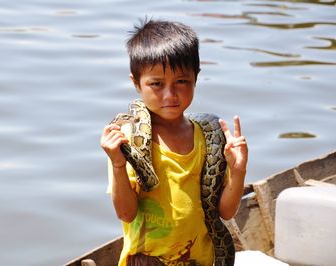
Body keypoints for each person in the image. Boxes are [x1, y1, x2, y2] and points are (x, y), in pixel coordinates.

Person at [100, 19, 248, 266]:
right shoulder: (125, 140)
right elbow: (126, 213)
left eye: (181, 82)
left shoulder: (208, 136)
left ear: (195, 79)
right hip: (148, 260)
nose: (170, 95)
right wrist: (117, 164)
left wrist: (238, 170)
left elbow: (224, 212)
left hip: (199, 259)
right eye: (156, 84)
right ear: (136, 83)